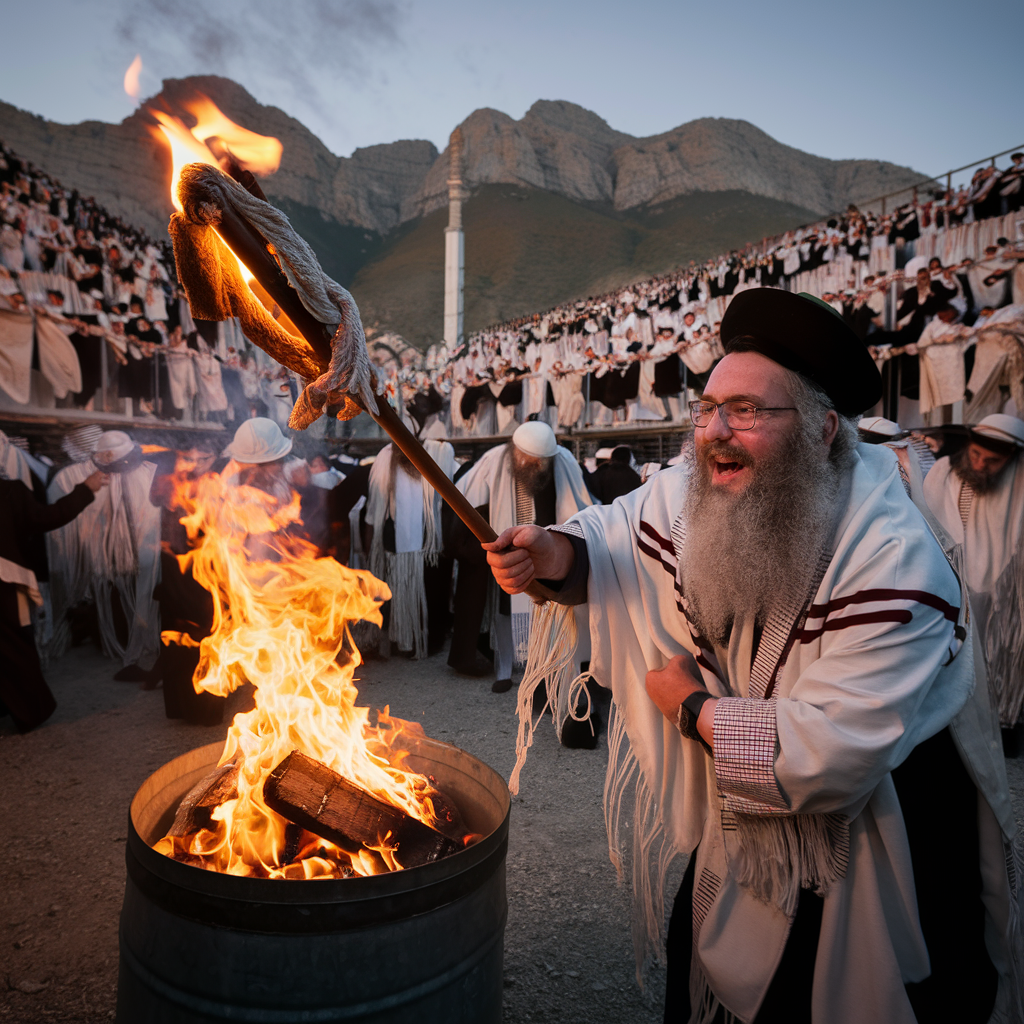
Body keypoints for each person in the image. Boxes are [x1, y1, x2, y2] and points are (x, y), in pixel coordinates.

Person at [484, 289, 1019, 1023]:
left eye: (747, 411)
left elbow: (831, 752)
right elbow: (614, 534)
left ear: (823, 430)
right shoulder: (701, 486)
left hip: (874, 825)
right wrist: (553, 553)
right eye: (708, 408)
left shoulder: (896, 557)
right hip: (741, 815)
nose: (714, 433)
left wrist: (692, 708)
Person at [452, 421, 593, 693]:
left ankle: (549, 669)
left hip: (549, 552)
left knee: (552, 610)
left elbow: (581, 503)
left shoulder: (562, 459)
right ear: (516, 451)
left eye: (543, 461)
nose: (538, 466)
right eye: (531, 459)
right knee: (505, 612)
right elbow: (466, 495)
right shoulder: (495, 459)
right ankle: (504, 669)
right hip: (508, 550)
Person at [923, 414, 1024, 750]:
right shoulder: (943, 472)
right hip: (948, 583)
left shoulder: (1019, 484)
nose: (980, 465)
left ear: (1011, 459)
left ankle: (1000, 727)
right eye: (976, 454)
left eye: (992, 461)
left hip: (1000, 595)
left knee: (997, 661)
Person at [46, 430, 162, 677]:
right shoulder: (76, 477)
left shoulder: (149, 474)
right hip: (103, 565)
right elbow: (64, 525)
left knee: (140, 599)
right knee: (109, 600)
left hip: (143, 558)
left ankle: (133, 639)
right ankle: (110, 640)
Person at [0, 465, 107, 730]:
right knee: (15, 647)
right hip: (4, 583)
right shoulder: (8, 491)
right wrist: (86, 489)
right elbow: (46, 517)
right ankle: (31, 712)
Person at [149, 439, 226, 725]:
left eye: (203, 458)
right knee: (180, 637)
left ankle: (200, 708)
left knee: (201, 638)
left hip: (201, 573)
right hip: (180, 572)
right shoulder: (173, 484)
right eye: (191, 458)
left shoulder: (211, 485)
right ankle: (186, 707)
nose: (194, 464)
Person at [365, 438, 455, 659]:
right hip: (394, 537)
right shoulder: (386, 457)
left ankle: (422, 639)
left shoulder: (435, 453)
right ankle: (401, 640)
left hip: (428, 540)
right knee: (396, 589)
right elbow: (375, 504)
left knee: (429, 590)